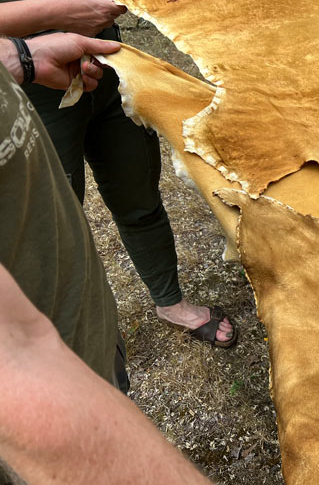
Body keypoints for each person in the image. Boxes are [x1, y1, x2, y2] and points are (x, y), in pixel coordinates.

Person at [0, 0, 236, 347]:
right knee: (53, 226)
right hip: (25, 76)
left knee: (138, 191)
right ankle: (67, 347)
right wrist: (51, 11)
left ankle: (170, 301)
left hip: (103, 53)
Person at [0, 32, 212, 483]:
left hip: (76, 65)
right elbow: (17, 361)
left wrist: (21, 56)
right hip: (45, 358)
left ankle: (161, 309)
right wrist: (43, 17)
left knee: (131, 204)